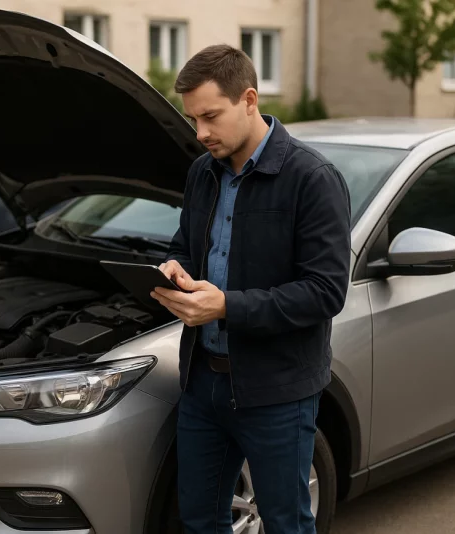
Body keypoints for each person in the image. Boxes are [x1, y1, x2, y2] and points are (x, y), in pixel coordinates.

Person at [149, 44, 351, 534]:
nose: (200, 133)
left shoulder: (312, 178)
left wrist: (226, 307)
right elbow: (187, 245)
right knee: (199, 519)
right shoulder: (203, 172)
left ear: (249, 99)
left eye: (210, 117)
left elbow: (325, 292)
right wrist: (176, 269)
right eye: (193, 119)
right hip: (203, 383)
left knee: (285, 523)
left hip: (277, 391)